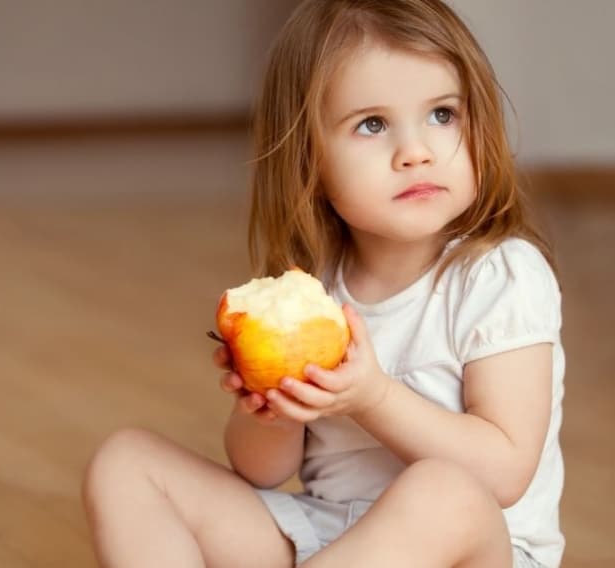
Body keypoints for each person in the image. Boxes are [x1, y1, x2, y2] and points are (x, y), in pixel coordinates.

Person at [80, 1, 565, 566]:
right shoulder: (316, 288)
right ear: (311, 161)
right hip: (327, 537)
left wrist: (374, 397)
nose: (416, 152)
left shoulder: (499, 274)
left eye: (442, 114)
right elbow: (262, 471)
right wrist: (274, 411)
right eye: (372, 125)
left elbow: (503, 473)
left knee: (446, 492)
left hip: (478, 549)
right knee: (127, 463)